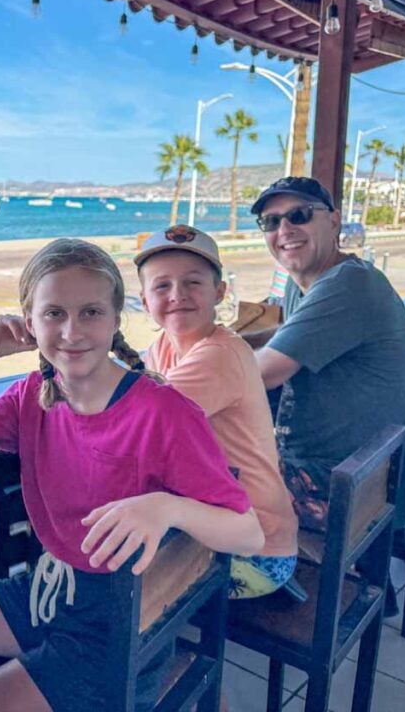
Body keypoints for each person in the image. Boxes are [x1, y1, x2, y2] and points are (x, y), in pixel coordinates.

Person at [0, 238, 264, 712]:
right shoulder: (31, 396)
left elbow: (248, 534)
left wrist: (167, 507)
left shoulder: (163, 413)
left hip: (116, 630)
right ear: (29, 321)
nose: (72, 331)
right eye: (54, 314)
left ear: (116, 318)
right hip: (49, 592)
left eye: (91, 313)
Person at [251, 177, 405, 533]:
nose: (284, 229)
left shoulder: (347, 283)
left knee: (192, 501)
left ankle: (266, 584)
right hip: (361, 477)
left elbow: (263, 372)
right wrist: (221, 341)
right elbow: (285, 334)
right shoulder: (310, 283)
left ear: (333, 221)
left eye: (298, 215)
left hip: (344, 491)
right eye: (271, 221)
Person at [137, 225, 298, 599]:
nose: (177, 296)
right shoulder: (162, 347)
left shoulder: (219, 354)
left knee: (116, 585)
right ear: (145, 301)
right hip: (226, 526)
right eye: (162, 286)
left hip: (256, 552)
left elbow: (136, 424)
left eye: (193, 283)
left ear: (219, 293)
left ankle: (151, 652)